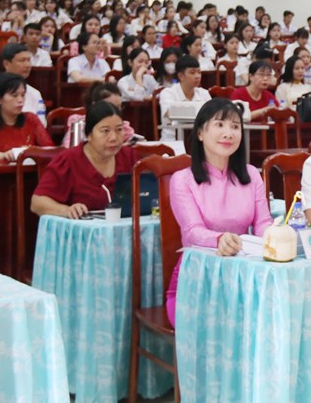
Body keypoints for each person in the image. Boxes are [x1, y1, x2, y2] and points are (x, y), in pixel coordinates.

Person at [165, 99, 274, 326]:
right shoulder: (182, 179)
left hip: (243, 276)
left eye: (235, 126)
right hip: (197, 280)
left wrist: (276, 236)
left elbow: (263, 223)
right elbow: (192, 232)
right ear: (200, 133)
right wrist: (219, 239)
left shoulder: (251, 174)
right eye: (220, 125)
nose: (228, 133)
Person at [31, 101, 138, 218]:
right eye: (105, 131)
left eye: (119, 130)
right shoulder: (68, 160)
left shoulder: (130, 157)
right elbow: (37, 203)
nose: (113, 138)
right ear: (89, 135)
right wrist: (67, 210)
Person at [0, 74, 53, 161]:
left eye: (23, 95)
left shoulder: (31, 119)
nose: (20, 100)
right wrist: (2, 156)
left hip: (28, 168)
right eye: (14, 95)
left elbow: (49, 148)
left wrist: (33, 151)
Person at [62, 83, 136, 148]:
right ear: (95, 105)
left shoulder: (122, 127)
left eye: (118, 107)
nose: (115, 111)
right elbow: (70, 149)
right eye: (110, 106)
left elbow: (133, 142)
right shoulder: (81, 125)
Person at [158, 56, 211, 140]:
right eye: (192, 73)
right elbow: (169, 113)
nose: (197, 76)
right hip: (172, 140)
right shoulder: (168, 93)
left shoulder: (204, 93)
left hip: (198, 140)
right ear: (181, 76)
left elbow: (211, 116)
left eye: (199, 72)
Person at [0, 43, 47, 125]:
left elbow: (41, 125)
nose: (28, 65)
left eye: (29, 60)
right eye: (22, 61)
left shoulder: (35, 94)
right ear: (6, 64)